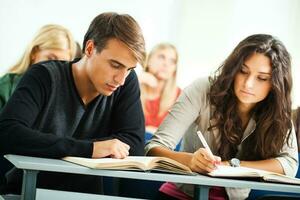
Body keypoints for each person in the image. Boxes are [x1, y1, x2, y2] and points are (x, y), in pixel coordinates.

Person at [0, 12, 146, 195]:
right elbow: (7, 132)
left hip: (87, 196)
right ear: (90, 48)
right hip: (27, 191)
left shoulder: (126, 82)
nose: (121, 79)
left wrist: (70, 148)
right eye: (115, 65)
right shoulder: (42, 76)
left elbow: (134, 145)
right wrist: (91, 149)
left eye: (129, 69)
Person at [145, 34, 298, 199]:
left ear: (276, 83)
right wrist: (190, 161)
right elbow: (154, 148)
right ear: (233, 68)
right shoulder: (203, 89)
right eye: (243, 71)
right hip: (181, 195)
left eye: (262, 78)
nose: (248, 84)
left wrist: (233, 166)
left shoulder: (277, 109)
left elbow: (289, 164)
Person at [0, 24, 76, 110]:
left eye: (62, 63)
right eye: (50, 59)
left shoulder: (66, 96)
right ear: (34, 52)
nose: (55, 67)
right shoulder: (5, 87)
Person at [139, 43, 181, 135]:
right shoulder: (135, 86)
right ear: (149, 60)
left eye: (172, 61)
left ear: (174, 69)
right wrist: (136, 81)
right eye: (162, 57)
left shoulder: (180, 96)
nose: (166, 64)